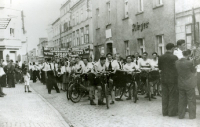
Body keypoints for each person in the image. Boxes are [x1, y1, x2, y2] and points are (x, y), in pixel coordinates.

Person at [158, 43, 178, 116]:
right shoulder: (174, 57)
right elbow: (176, 68)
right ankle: (171, 113)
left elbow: (160, 68)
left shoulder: (161, 57)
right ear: (172, 48)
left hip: (163, 78)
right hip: (172, 79)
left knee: (165, 96)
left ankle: (165, 112)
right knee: (172, 95)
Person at [176, 50, 196, 119]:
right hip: (189, 83)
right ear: (189, 55)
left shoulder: (177, 62)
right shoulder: (190, 62)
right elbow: (194, 71)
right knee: (191, 99)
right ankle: (192, 116)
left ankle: (181, 115)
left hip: (180, 83)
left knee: (181, 99)